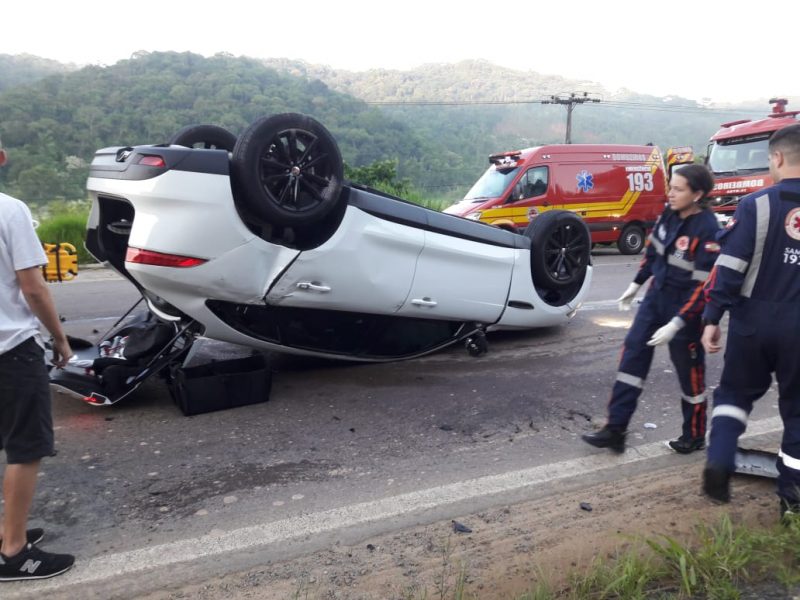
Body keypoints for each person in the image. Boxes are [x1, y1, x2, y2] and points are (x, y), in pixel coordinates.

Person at [582, 164, 719, 453]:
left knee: (688, 371)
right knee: (632, 357)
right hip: (655, 300)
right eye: (671, 187)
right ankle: (615, 429)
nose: (671, 193)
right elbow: (653, 253)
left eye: (678, 189)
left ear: (697, 194)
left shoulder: (708, 229)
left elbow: (703, 287)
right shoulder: (668, 215)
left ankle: (693, 435)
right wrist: (636, 283)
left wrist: (678, 322)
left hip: (686, 309)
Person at [701, 123, 800, 514]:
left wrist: (712, 317)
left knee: (734, 395)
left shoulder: (755, 205)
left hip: (753, 320)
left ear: (776, 157)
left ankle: (721, 459)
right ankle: (792, 501)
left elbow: (729, 267)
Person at [0, 147, 76, 580]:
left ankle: (5, 531)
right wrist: (59, 339)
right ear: (2, 157)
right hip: (10, 348)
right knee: (26, 449)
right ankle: (14, 552)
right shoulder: (10, 211)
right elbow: (33, 288)